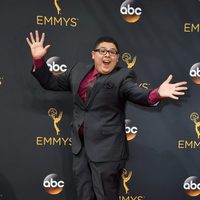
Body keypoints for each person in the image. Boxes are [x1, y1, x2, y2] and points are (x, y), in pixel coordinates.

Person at [26, 30, 187, 200]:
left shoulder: (122, 77)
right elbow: (50, 82)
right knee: (84, 196)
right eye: (102, 51)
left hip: (108, 152)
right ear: (93, 55)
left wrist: (157, 93)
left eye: (112, 52)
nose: (107, 55)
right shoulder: (77, 70)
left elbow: (138, 94)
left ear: (117, 58)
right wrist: (38, 60)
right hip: (80, 150)